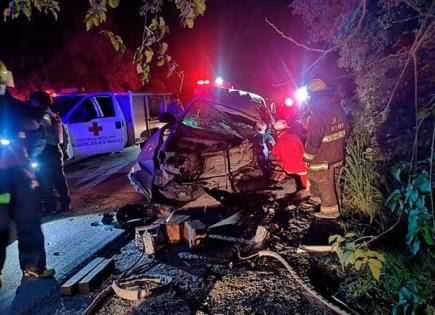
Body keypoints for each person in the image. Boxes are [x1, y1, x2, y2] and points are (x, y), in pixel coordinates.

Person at [0, 60, 54, 288]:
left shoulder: (11, 104)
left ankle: (33, 267)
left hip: (18, 173)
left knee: (28, 218)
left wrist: (38, 114)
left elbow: (33, 118)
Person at [303, 78, 350, 219]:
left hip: (323, 157)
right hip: (337, 153)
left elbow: (313, 139)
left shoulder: (317, 112)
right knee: (332, 180)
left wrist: (307, 157)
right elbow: (347, 128)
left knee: (324, 181)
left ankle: (330, 211)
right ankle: (322, 199)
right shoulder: (337, 107)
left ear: (312, 95)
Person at [29, 90, 71, 214]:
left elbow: (42, 138)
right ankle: (65, 205)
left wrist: (32, 154)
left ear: (38, 102)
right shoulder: (55, 116)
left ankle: (50, 207)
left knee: (45, 181)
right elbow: (64, 136)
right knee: (59, 179)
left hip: (44, 153)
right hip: (55, 151)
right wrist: (64, 150)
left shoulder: (42, 117)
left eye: (33, 101)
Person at [271, 119, 309, 199]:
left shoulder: (280, 141)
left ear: (278, 131)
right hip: (303, 168)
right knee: (306, 185)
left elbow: (274, 158)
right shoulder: (295, 137)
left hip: (289, 168)